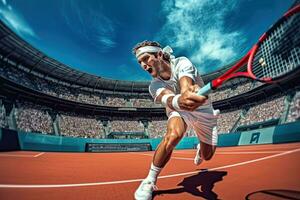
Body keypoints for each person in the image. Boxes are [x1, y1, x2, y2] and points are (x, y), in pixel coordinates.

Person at [132, 41, 218, 200]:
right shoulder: (154, 86)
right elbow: (169, 99)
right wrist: (181, 100)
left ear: (158, 55)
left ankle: (201, 147)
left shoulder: (182, 62)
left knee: (207, 156)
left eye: (146, 59)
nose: (143, 65)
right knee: (174, 135)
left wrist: (187, 91)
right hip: (178, 109)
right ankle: (149, 181)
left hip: (204, 111)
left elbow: (186, 84)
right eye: (140, 62)